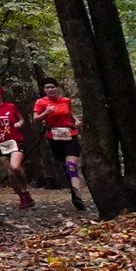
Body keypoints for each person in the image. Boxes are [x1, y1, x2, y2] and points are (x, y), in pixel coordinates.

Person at [33, 77, 88, 211]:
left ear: (57, 88)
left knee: (72, 166)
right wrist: (46, 113)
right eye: (47, 88)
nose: (50, 90)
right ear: (44, 90)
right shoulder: (41, 102)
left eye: (52, 87)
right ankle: (73, 188)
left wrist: (76, 120)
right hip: (54, 138)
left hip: (70, 136)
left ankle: (77, 196)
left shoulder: (66, 100)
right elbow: (35, 119)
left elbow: (69, 113)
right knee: (66, 166)